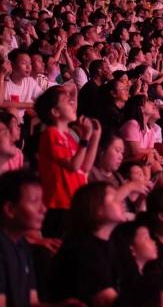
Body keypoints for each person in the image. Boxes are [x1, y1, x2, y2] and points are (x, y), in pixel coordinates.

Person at [35, 86, 101, 238]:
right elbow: (73, 165)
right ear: (55, 112)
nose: (72, 103)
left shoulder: (70, 137)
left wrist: (94, 137)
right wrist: (85, 139)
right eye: (66, 101)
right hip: (58, 205)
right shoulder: (50, 133)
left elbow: (84, 167)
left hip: (73, 204)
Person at [49, 182, 127, 306]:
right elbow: (107, 300)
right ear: (97, 208)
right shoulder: (82, 247)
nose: (122, 202)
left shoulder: (114, 242)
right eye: (114, 198)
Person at [0, 170, 45, 307]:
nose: (43, 209)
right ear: (10, 209)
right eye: (34, 201)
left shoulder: (22, 245)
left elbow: (32, 302)